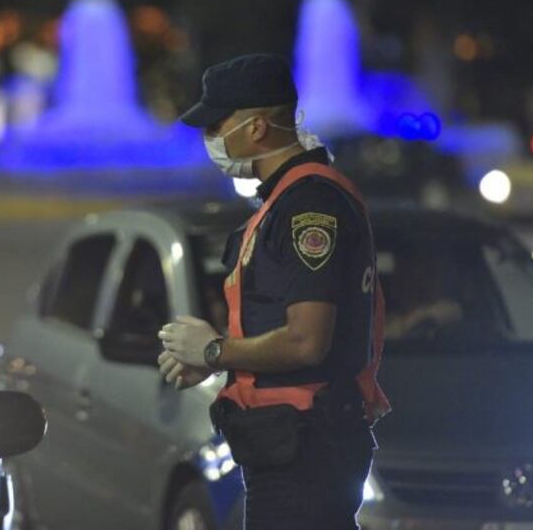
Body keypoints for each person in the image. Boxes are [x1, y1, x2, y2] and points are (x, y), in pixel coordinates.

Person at [158, 53, 390, 530]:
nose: (210, 138)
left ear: (257, 127)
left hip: (306, 450)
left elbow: (307, 341)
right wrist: (215, 358)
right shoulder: (287, 200)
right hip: (291, 445)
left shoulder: (308, 206)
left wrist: (214, 350)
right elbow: (275, 320)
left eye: (217, 125)